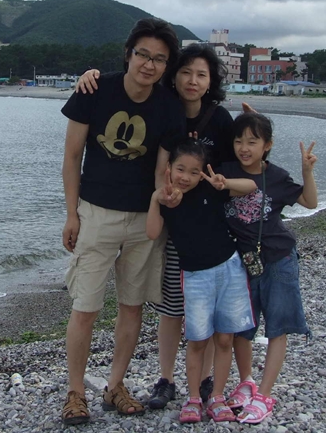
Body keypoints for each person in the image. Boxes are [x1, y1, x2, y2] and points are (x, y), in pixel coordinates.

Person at [75, 44, 238, 408]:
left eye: (201, 75)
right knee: (171, 306)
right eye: (185, 72)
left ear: (210, 81)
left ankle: (206, 379)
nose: (192, 81)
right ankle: (166, 379)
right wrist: (90, 75)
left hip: (209, 229)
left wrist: (252, 134)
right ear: (173, 75)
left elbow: (238, 164)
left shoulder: (220, 120)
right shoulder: (164, 108)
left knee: (206, 306)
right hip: (169, 225)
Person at [59, 18, 186, 426]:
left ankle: (115, 385)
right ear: (128, 54)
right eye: (143, 55)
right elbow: (71, 157)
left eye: (159, 59)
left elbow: (162, 169)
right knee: (85, 307)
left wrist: (164, 200)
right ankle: (75, 392)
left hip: (142, 219)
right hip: (95, 214)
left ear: (166, 66)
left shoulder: (168, 106)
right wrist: (71, 214)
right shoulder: (94, 90)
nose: (149, 64)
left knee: (132, 308)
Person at [145, 138, 257, 423]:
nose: (186, 177)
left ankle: (217, 396)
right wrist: (155, 200)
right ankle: (193, 398)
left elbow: (252, 186)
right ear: (169, 168)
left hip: (229, 269)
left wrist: (223, 183)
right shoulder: (168, 198)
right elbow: (152, 232)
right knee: (197, 340)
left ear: (202, 173)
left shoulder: (211, 188)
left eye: (194, 172)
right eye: (180, 169)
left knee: (225, 338)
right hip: (194, 276)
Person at [219, 112, 318, 424]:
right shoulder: (226, 170)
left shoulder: (276, 176)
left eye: (252, 142)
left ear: (267, 145)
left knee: (277, 327)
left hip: (279, 259)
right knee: (241, 327)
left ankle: (264, 395)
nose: (244, 148)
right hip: (242, 262)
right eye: (239, 141)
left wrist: (307, 171)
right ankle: (246, 382)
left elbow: (310, 202)